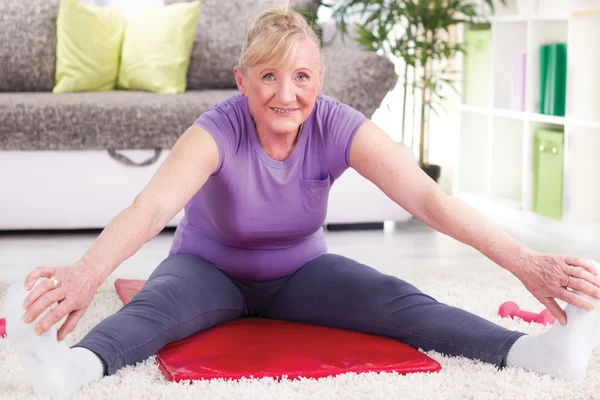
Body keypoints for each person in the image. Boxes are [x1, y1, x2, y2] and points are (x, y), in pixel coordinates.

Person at [5, 6, 600, 399]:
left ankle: (532, 353)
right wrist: (84, 275)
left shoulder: (339, 124)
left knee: (403, 302)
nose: (285, 95)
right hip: (206, 270)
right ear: (242, 80)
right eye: (267, 77)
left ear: (319, 80)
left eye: (302, 78)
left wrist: (527, 262)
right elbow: (151, 208)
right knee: (152, 315)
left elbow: (427, 199)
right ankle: (71, 368)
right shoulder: (217, 128)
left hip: (302, 272)